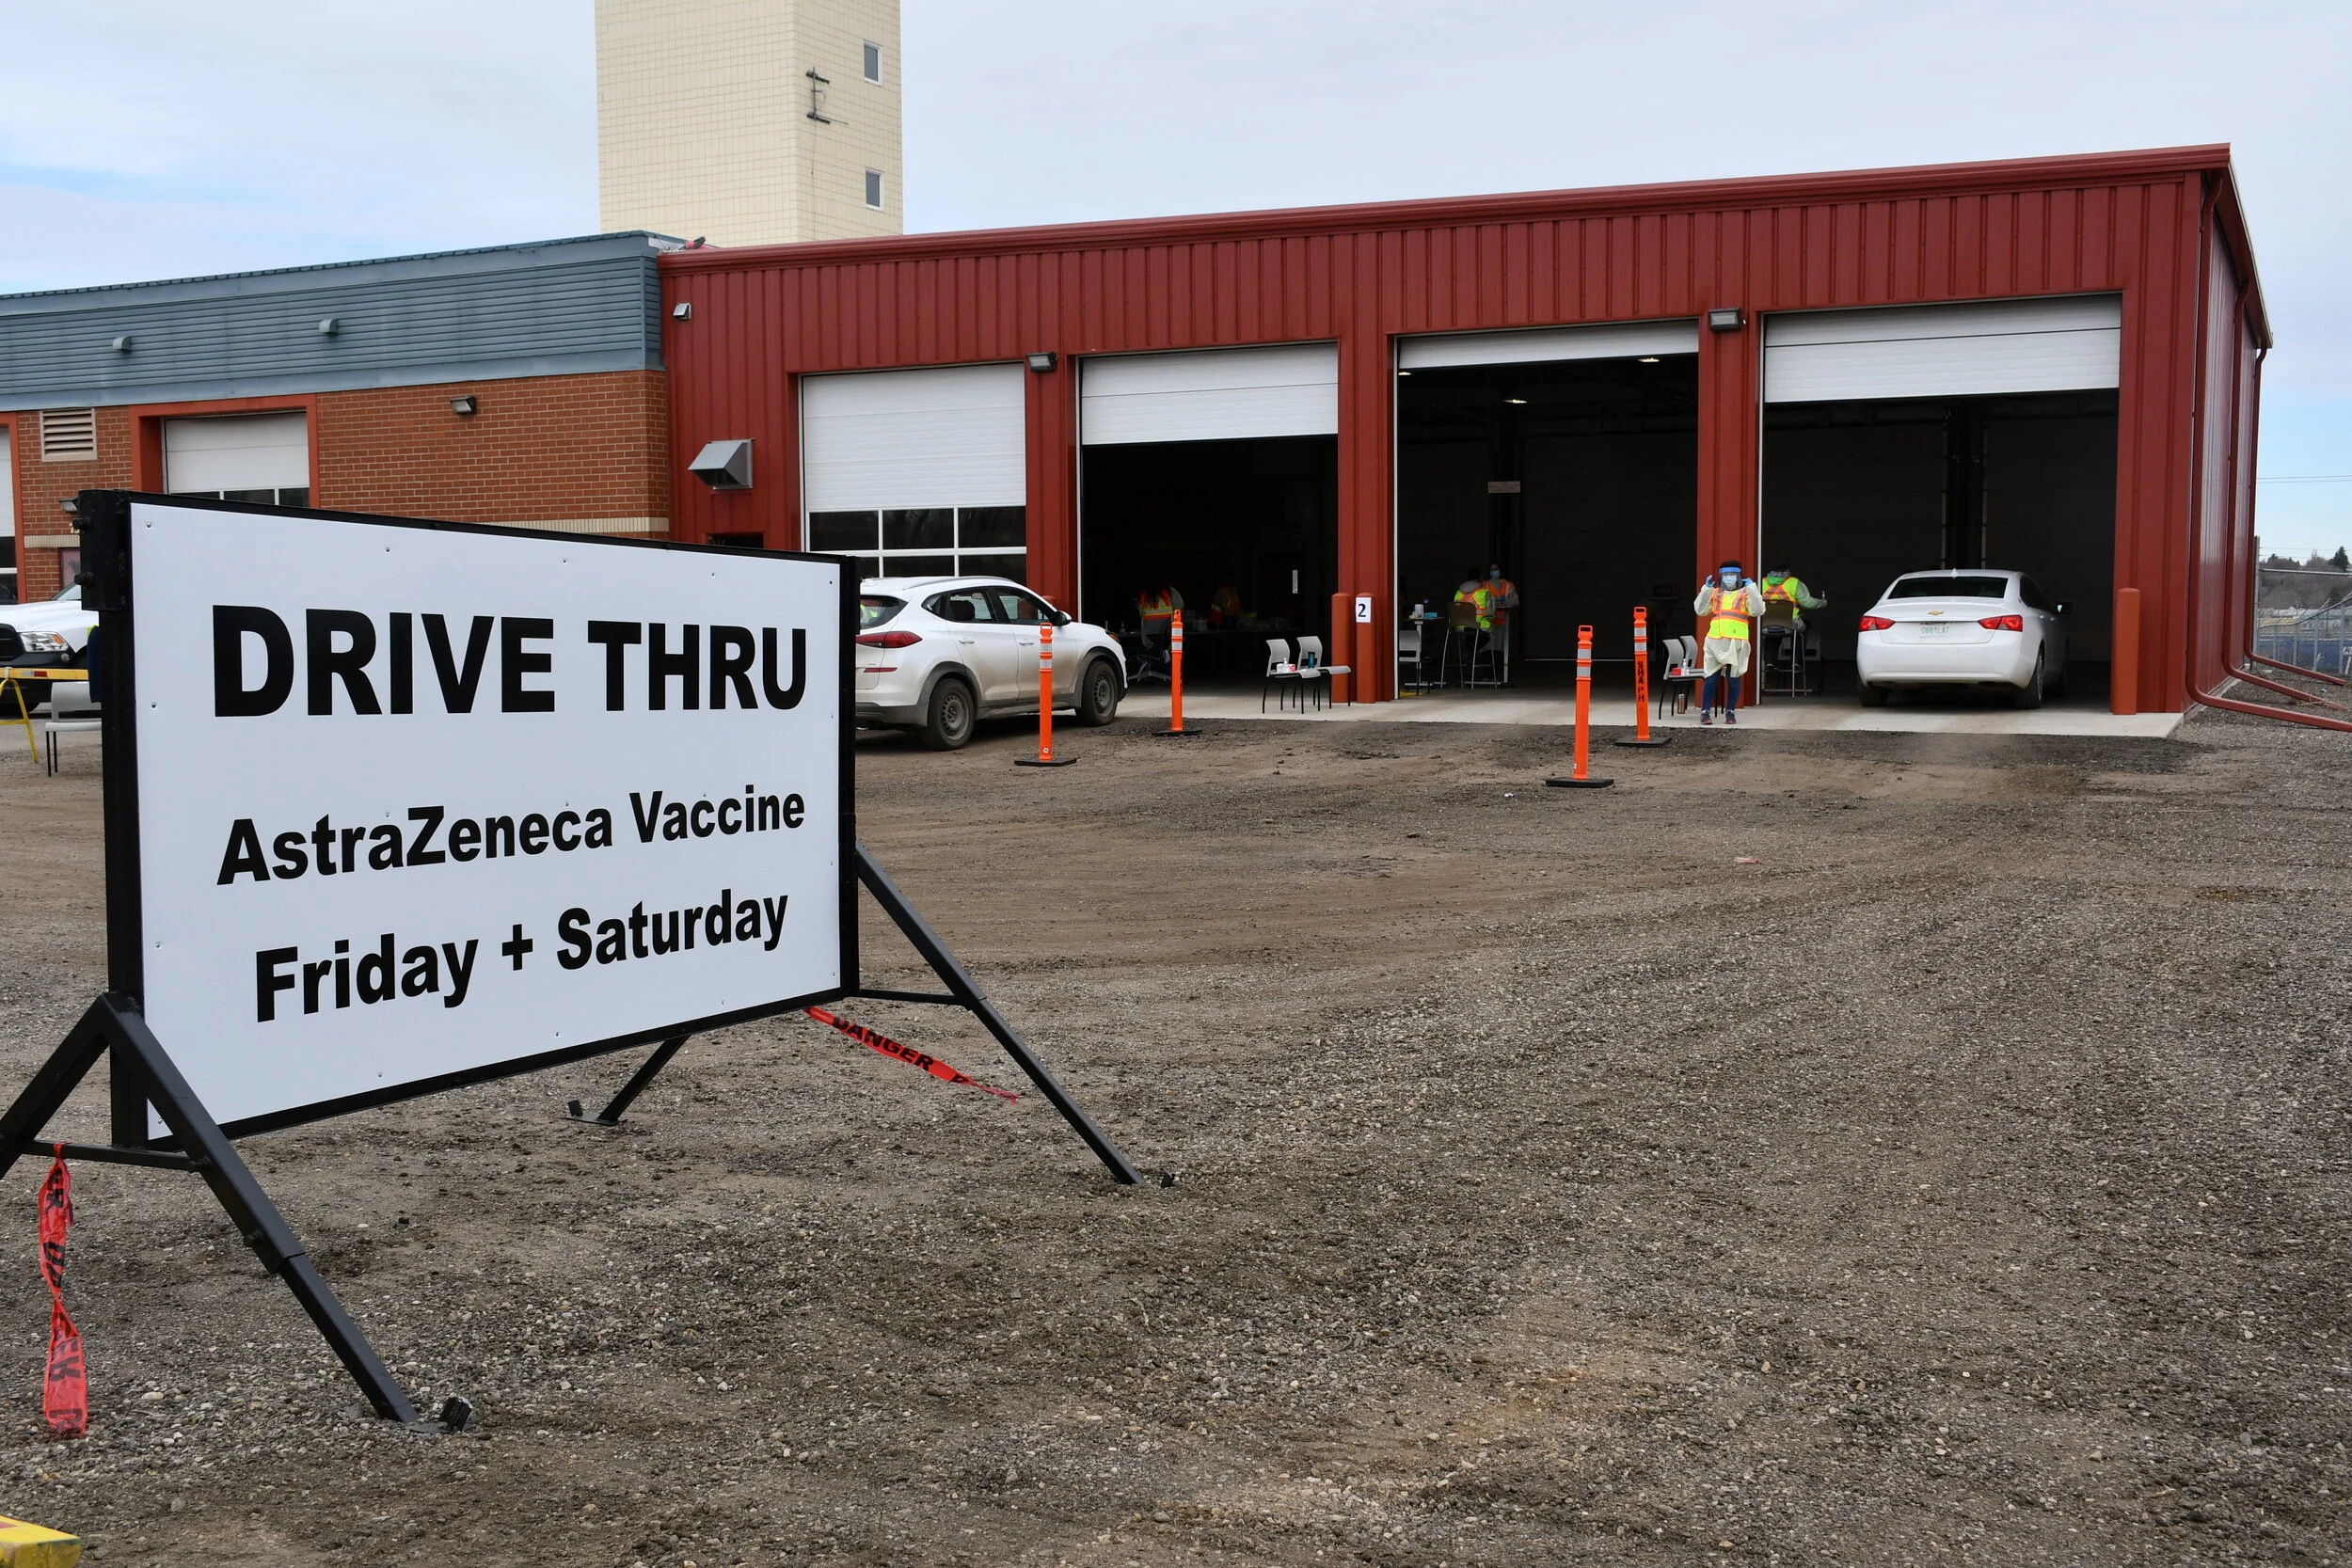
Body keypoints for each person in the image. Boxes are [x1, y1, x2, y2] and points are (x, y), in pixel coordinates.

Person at [1692, 561, 1764, 723]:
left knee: (1733, 679)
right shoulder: (1715, 592)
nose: (1729, 578)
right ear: (1720, 576)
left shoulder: (1745, 593)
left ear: (1739, 576)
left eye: (1732, 575)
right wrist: (1706, 590)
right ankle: (1705, 712)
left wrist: (1753, 589)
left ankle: (1730, 712)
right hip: (1714, 640)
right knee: (1711, 678)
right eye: (1725, 575)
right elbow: (1700, 610)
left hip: (1736, 642)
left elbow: (1757, 610)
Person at [1758, 567, 1827, 626]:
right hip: (1790, 623)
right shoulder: (1794, 583)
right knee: (1806, 626)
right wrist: (1822, 603)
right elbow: (1807, 603)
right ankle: (1797, 641)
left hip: (1765, 623)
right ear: (1787, 570)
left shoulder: (1761, 582)